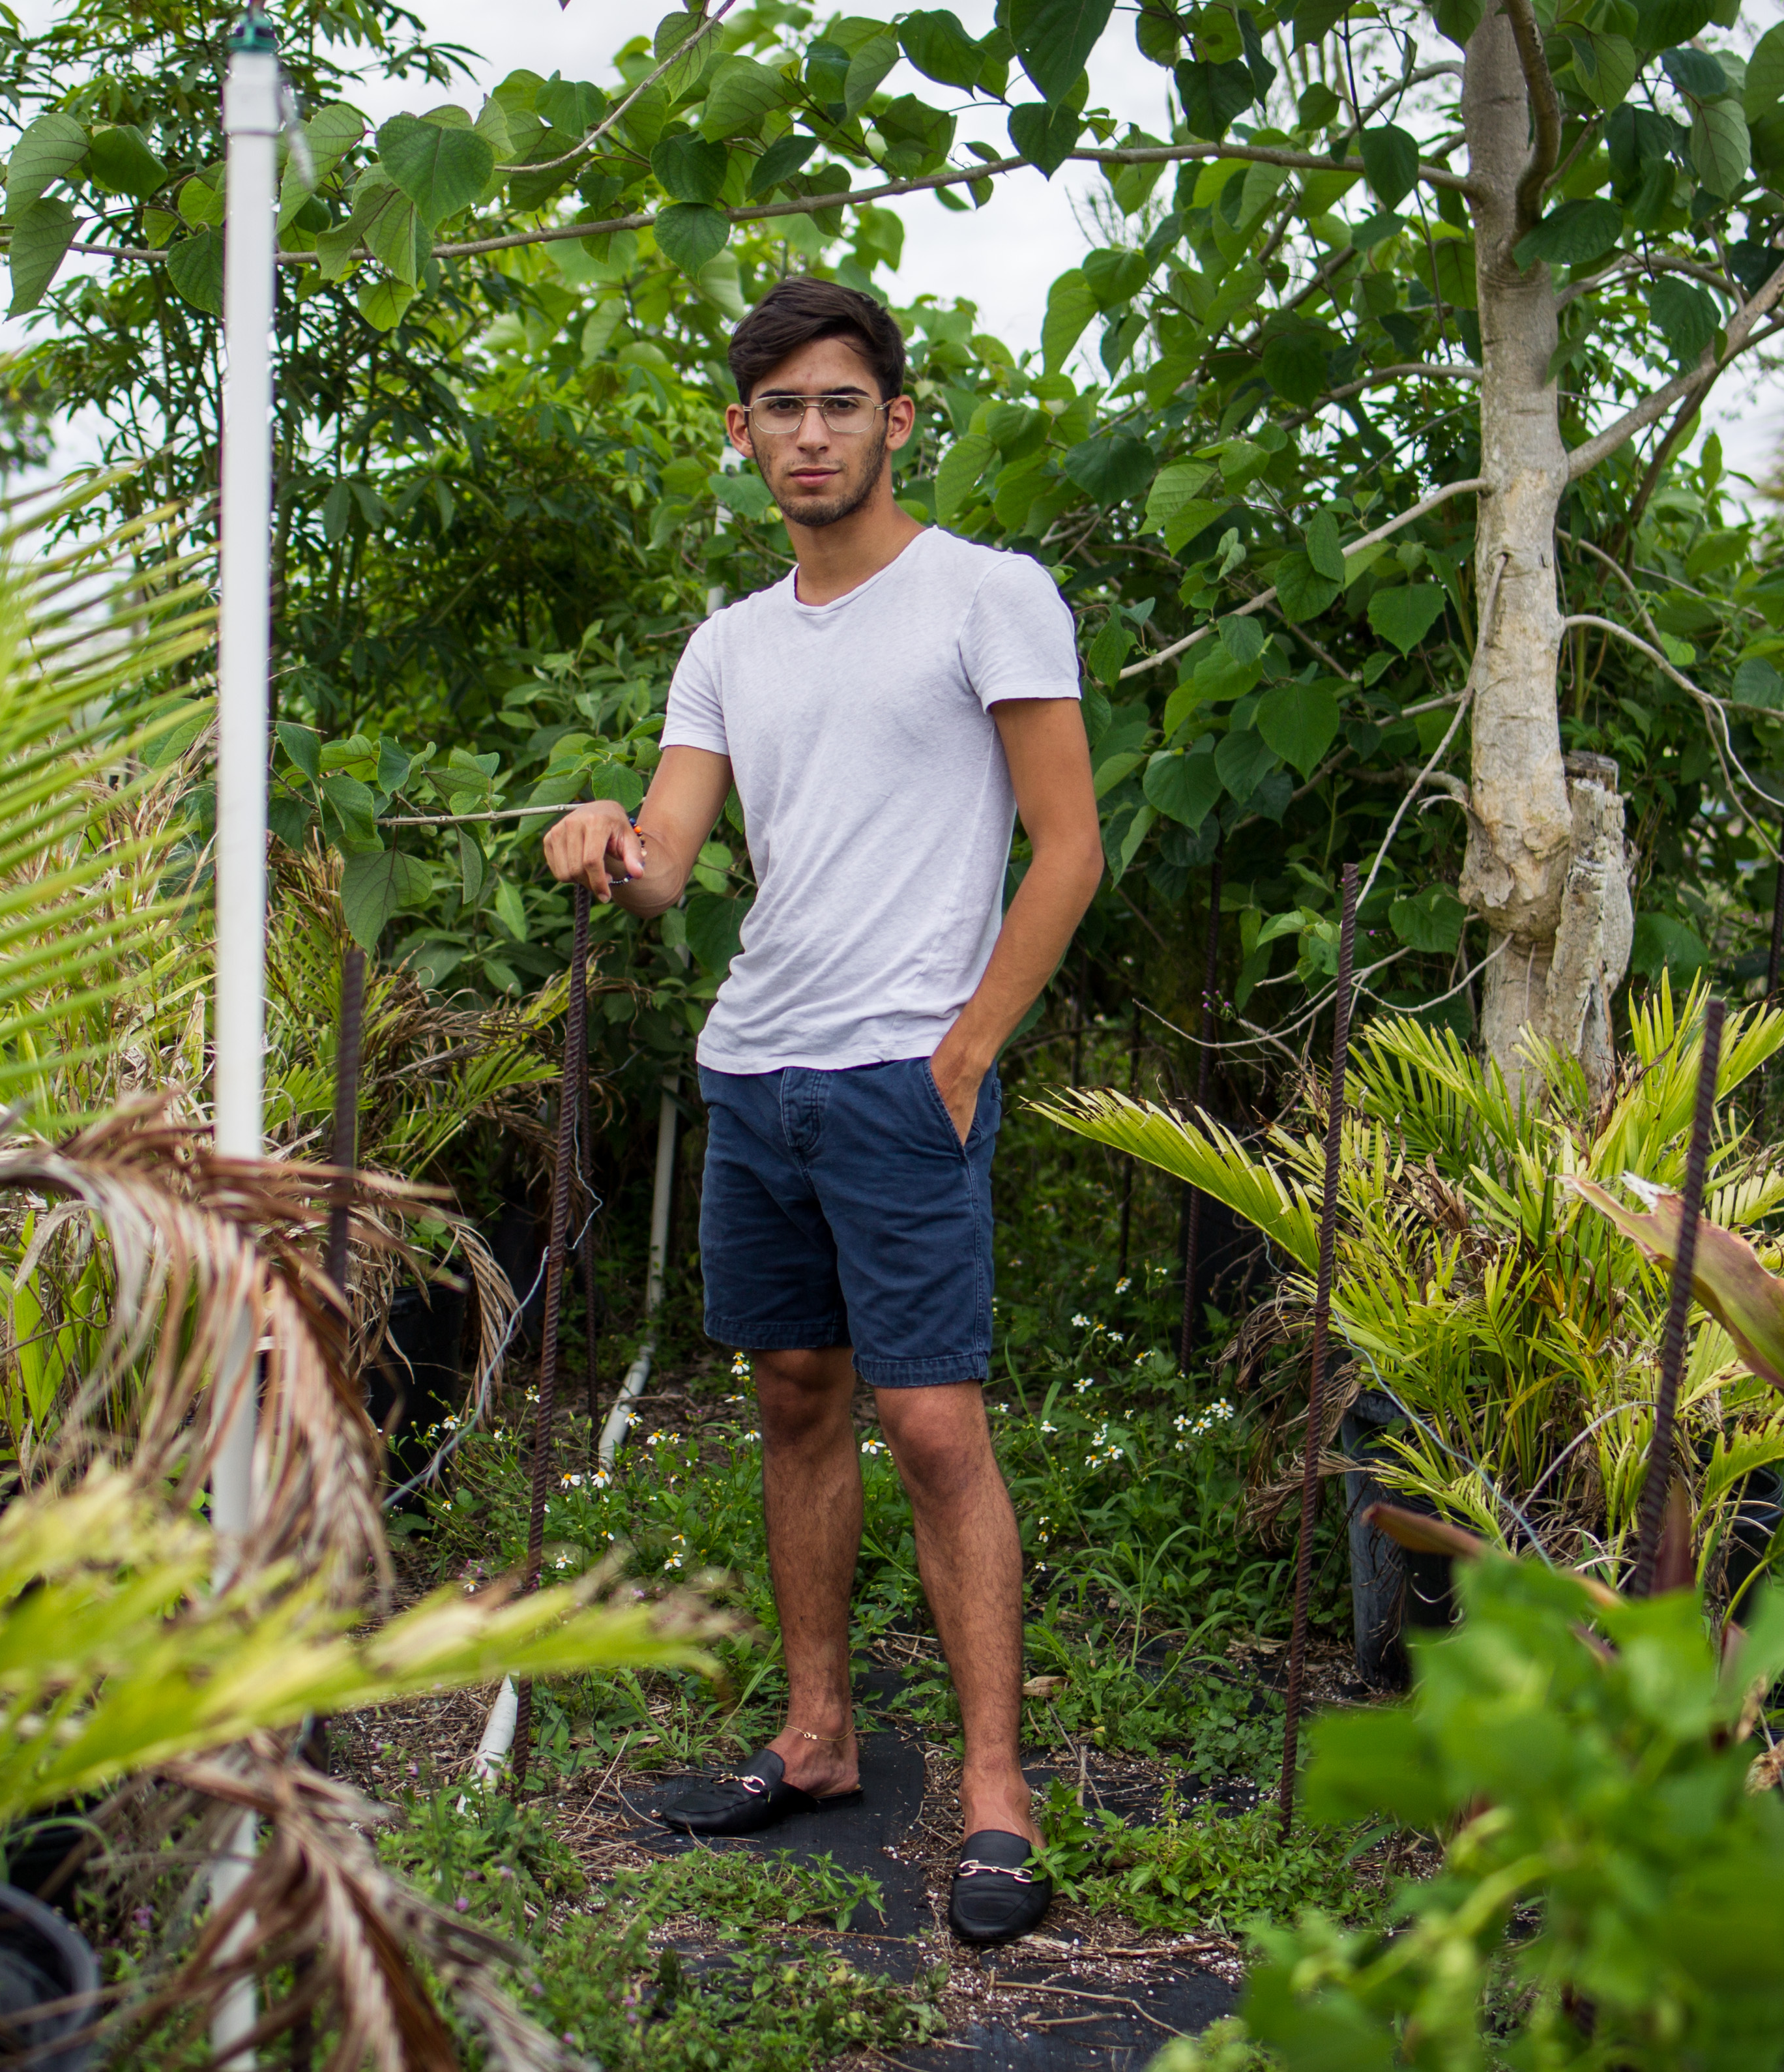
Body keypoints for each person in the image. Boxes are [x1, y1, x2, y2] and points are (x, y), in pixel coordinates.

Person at [543, 276, 1102, 1946]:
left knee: (933, 1427)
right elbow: (662, 866)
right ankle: (819, 1738)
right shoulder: (726, 643)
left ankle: (995, 1793)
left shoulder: (983, 598)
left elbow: (1065, 847)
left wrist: (965, 1052)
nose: (809, 433)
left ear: (895, 418)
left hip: (897, 1076)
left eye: (839, 403)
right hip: (756, 1066)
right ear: (742, 434)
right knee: (795, 1398)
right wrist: (598, 833)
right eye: (779, 408)